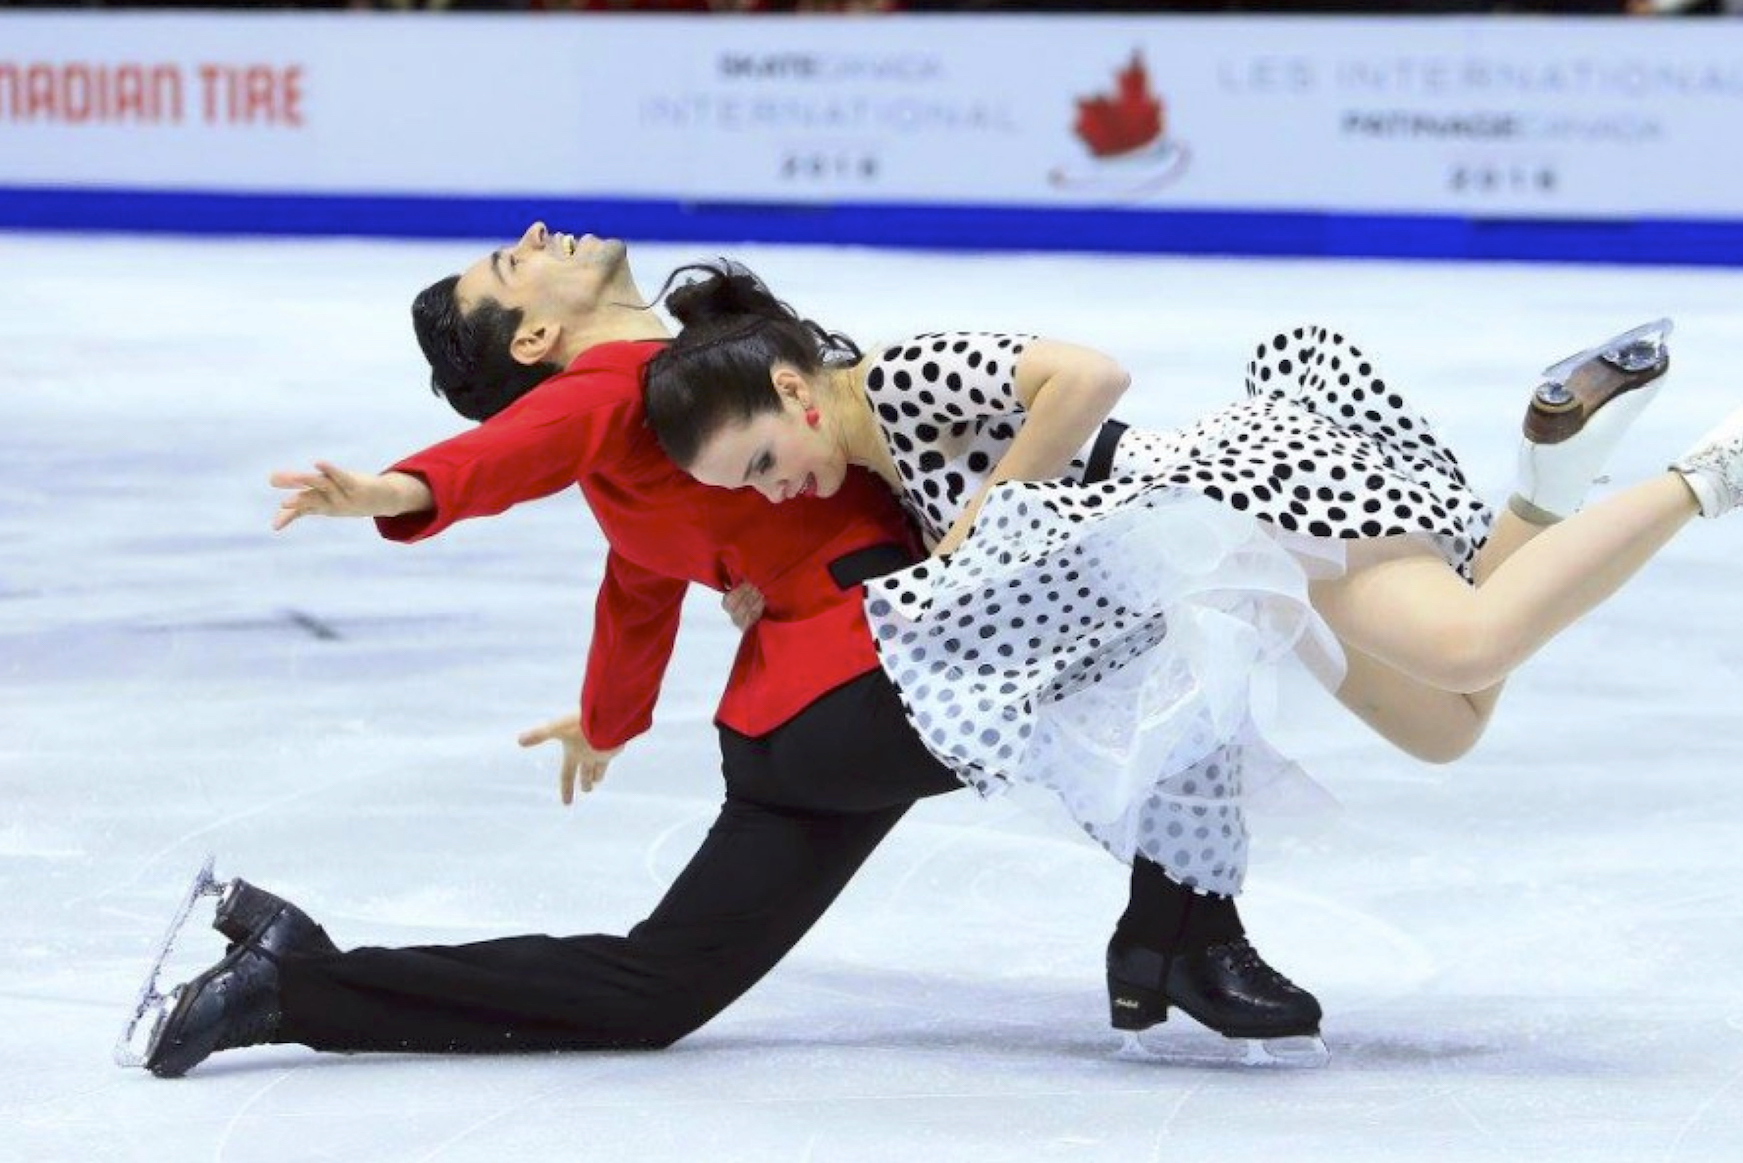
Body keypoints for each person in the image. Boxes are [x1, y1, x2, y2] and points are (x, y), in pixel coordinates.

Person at [135, 224, 1319, 1079]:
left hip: (796, 731)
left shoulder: (660, 431)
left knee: (658, 985)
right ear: (541, 331)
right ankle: (1177, 939)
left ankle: (297, 982)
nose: (538, 234)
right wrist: (404, 487)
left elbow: (636, 582)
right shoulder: (609, 384)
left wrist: (607, 717)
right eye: (513, 262)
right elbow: (523, 440)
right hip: (882, 677)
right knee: (1176, 621)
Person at [643, 265, 1743, 908]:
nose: (772, 490)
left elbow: (1086, 375)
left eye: (761, 459)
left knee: (1465, 644)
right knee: (1444, 724)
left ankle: (1734, 456)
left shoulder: (907, 377)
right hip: (1208, 564)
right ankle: (1549, 472)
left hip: (1232, 495)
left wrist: (995, 504)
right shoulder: (865, 458)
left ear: (797, 391)